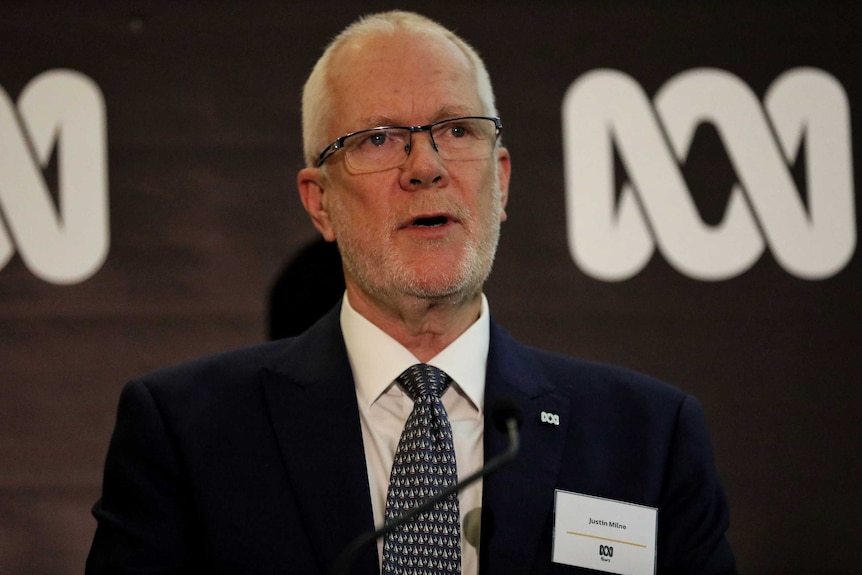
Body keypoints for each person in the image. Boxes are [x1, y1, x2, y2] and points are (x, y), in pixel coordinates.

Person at [86, 10, 736, 575]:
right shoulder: (187, 435)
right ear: (320, 203)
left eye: (457, 130)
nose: (426, 166)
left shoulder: (648, 437)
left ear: (501, 181)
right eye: (378, 138)